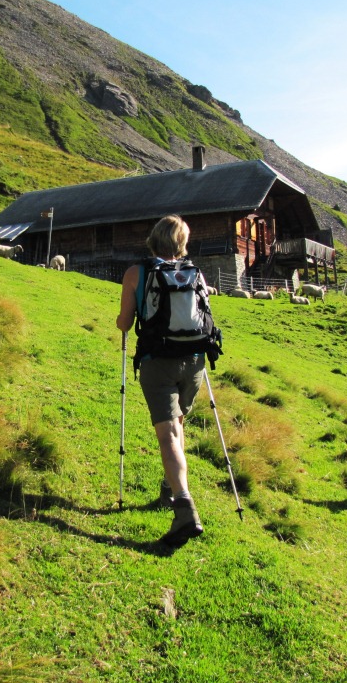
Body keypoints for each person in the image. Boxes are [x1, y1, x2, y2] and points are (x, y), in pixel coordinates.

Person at [116, 215, 207, 545]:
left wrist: (122, 318)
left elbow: (125, 323)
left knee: (168, 432)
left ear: (153, 239)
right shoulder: (195, 272)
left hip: (159, 361)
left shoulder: (135, 273)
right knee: (178, 423)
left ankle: (184, 508)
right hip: (195, 361)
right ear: (182, 243)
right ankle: (169, 490)